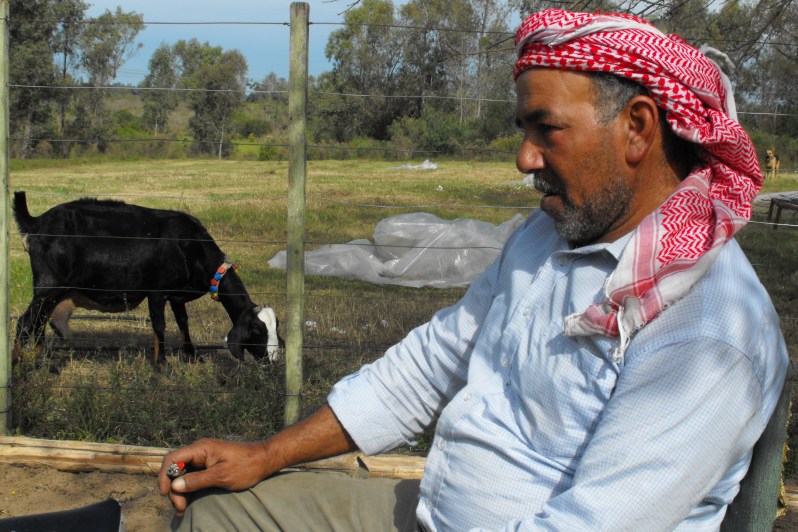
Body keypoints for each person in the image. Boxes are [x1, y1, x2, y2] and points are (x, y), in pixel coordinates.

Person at [159, 9, 789, 531]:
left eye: (546, 129)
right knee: (222, 516)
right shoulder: (546, 239)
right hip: (435, 513)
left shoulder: (708, 331)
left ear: (637, 128)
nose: (523, 158)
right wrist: (266, 455)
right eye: (523, 129)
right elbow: (428, 366)